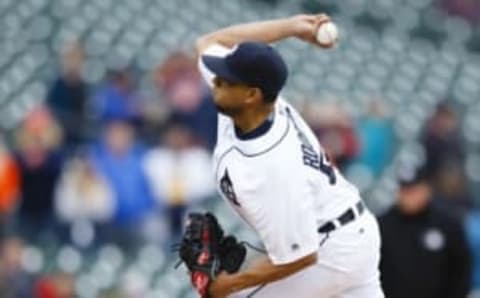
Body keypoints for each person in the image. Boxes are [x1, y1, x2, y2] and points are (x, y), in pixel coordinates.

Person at [195, 14, 384, 298]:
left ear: (251, 94)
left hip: (327, 249)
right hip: (350, 233)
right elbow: (209, 42)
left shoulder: (270, 168)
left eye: (226, 78)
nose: (216, 80)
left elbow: (301, 256)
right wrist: (293, 27)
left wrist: (229, 285)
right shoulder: (250, 105)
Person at [379, 163, 471, 298]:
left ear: (427, 189)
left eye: (414, 190)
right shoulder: (382, 225)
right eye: (405, 191)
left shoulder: (448, 224)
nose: (409, 197)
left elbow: (461, 269)